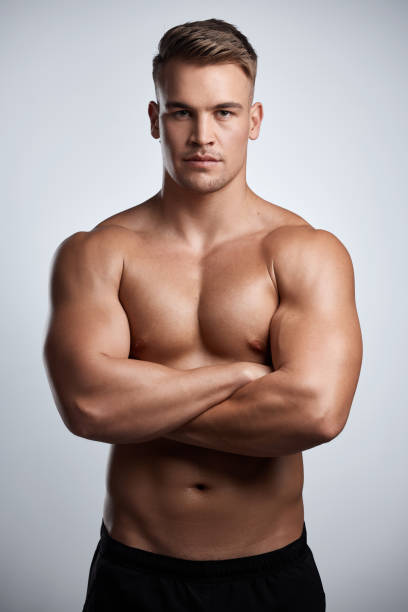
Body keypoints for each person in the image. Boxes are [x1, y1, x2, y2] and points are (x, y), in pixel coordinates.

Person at [43, 17, 363, 612]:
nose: (202, 135)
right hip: (133, 570)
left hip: (271, 573)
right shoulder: (98, 252)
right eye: (181, 112)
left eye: (224, 112)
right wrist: (242, 376)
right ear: (153, 119)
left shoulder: (305, 251)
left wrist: (133, 403)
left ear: (254, 120)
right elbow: (87, 404)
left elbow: (317, 413)